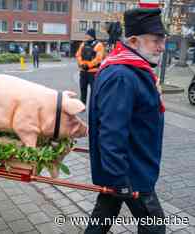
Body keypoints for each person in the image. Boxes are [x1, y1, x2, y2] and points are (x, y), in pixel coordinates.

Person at [86, 8, 166, 233]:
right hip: (130, 172)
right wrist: (119, 180)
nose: (161, 46)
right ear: (133, 40)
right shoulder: (122, 75)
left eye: (162, 40)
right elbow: (111, 131)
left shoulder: (133, 68)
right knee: (155, 227)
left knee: (101, 221)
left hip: (128, 166)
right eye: (155, 41)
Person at [75, 28, 104, 105]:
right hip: (83, 71)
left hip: (93, 72)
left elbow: (98, 58)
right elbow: (78, 55)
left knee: (94, 91)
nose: (86, 36)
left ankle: (93, 106)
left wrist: (88, 65)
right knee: (83, 89)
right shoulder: (83, 44)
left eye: (87, 35)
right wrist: (81, 64)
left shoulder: (99, 45)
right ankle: (82, 105)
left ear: (91, 35)